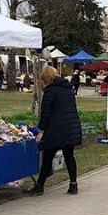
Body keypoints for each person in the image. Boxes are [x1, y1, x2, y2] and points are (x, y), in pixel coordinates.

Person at [25, 66, 82, 195]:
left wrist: (41, 131)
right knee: (69, 156)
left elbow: (45, 114)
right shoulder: (68, 89)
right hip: (70, 126)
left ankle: (40, 186)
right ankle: (73, 184)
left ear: (46, 79)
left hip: (55, 128)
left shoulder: (50, 91)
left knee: (47, 157)